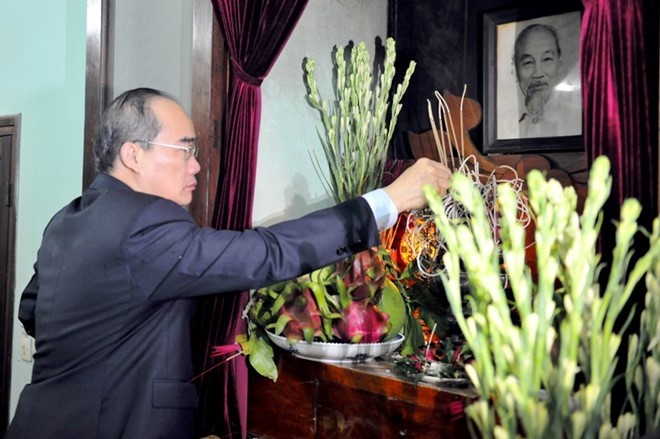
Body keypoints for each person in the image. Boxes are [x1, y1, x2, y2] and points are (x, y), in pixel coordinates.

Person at [5, 88, 452, 438]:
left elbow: (33, 310)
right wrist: (385, 202)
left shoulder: (68, 219)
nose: (197, 166)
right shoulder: (144, 222)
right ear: (133, 154)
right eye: (185, 149)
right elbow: (265, 253)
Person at [513, 23, 580, 138]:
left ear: (559, 63)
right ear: (515, 71)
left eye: (547, 59)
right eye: (528, 62)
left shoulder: (578, 120)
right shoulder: (507, 128)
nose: (538, 73)